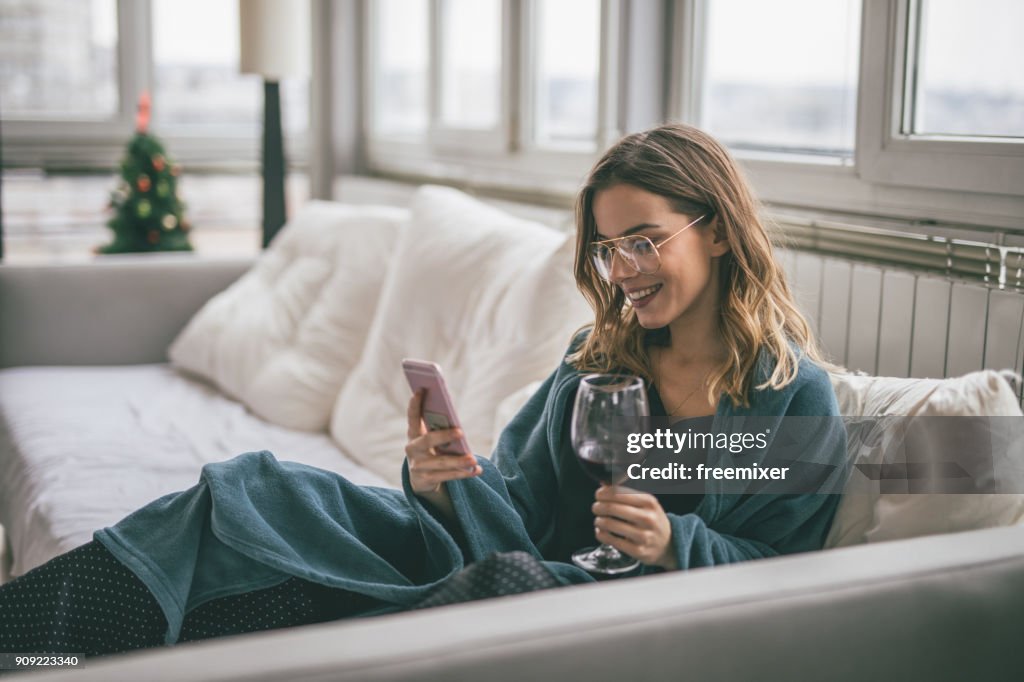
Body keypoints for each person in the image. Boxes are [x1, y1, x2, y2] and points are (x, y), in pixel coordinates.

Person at [0, 123, 847, 659]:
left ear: (720, 231)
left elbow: (784, 572)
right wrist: (448, 476)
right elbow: (514, 496)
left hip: (595, 611)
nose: (622, 270)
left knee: (499, 586)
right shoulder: (595, 360)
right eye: (606, 249)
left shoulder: (788, 398)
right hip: (499, 560)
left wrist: (674, 543)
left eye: (644, 241)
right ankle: (28, 650)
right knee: (258, 494)